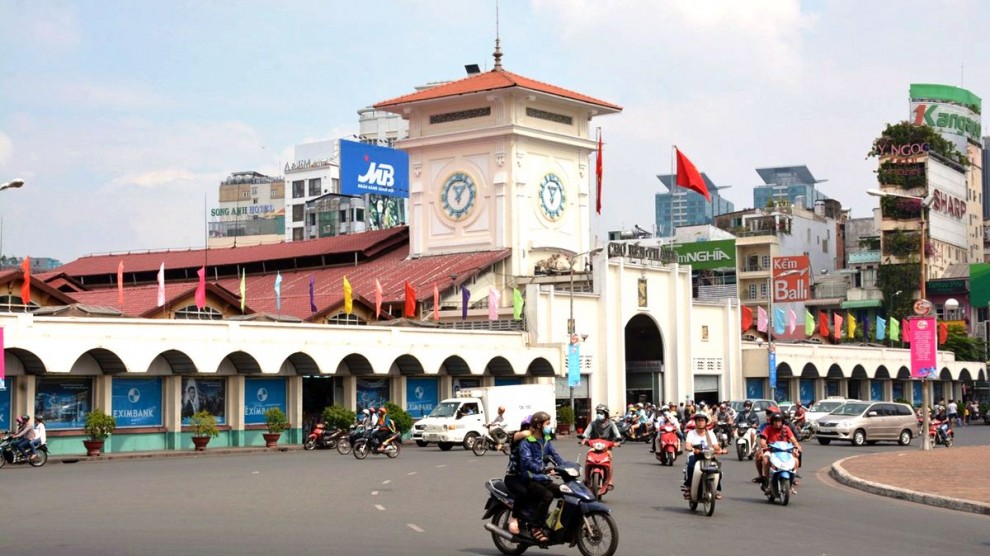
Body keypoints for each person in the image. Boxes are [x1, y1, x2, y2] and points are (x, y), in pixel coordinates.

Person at [505, 411, 564, 544]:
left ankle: (554, 522)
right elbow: (527, 462)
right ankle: (533, 525)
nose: (550, 426)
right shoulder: (524, 441)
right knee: (544, 495)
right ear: (538, 426)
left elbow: (555, 456)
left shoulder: (546, 440)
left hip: (540, 477)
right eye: (547, 424)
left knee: (564, 490)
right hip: (520, 477)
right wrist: (544, 469)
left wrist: (566, 467)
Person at [681, 412, 726, 500]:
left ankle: (715, 490)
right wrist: (692, 449)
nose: (701, 422)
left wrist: (720, 450)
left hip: (708, 456)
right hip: (694, 455)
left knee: (718, 470)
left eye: (702, 420)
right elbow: (688, 445)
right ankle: (689, 488)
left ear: (706, 422)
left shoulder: (710, 434)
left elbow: (716, 446)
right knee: (691, 467)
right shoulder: (691, 433)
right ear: (695, 422)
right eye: (699, 421)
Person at [759, 412, 803, 494]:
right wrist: (763, 444)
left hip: (785, 452)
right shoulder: (768, 428)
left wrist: (798, 446)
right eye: (775, 421)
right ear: (772, 422)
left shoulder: (786, 429)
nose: (777, 423)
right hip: (771, 451)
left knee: (796, 461)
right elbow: (763, 440)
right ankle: (768, 482)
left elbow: (793, 439)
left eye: (779, 421)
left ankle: (790, 485)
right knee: (765, 459)